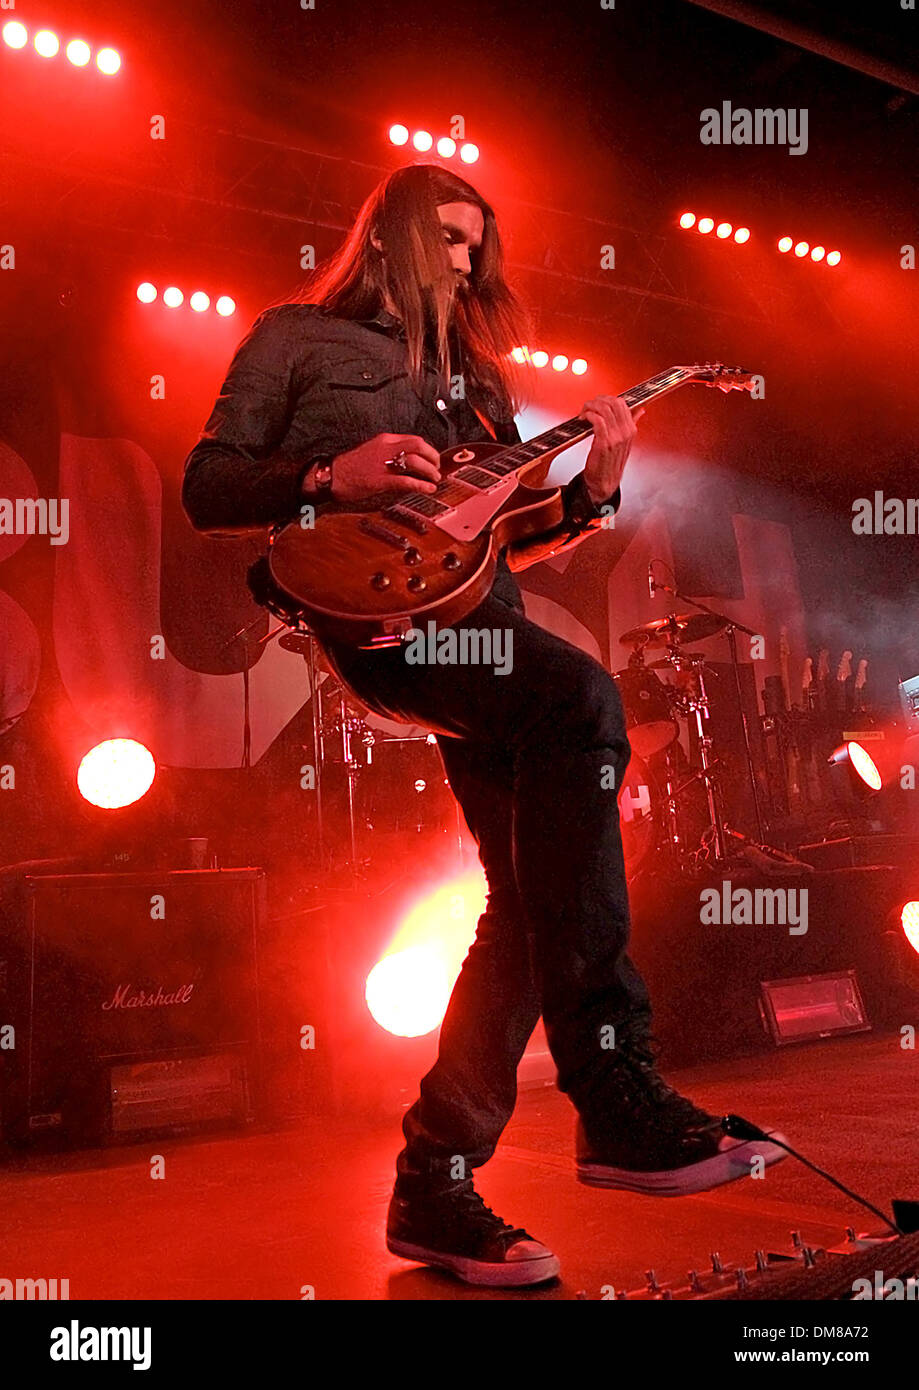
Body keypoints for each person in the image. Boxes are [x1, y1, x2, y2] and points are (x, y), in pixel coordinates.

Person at [182, 162, 787, 1288]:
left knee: (526, 905)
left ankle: (436, 1184)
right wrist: (330, 472)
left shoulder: (478, 383)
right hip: (377, 623)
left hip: (474, 624)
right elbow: (209, 485)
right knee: (582, 695)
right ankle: (613, 1088)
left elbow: (498, 542)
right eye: (450, 240)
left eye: (480, 248)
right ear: (389, 240)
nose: (469, 265)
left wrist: (595, 489)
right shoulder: (298, 337)